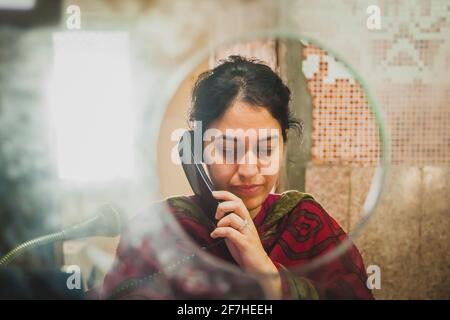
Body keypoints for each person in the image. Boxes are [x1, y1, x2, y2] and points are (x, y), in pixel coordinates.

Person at [100, 55, 374, 300]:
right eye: (228, 150)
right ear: (197, 151)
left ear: (284, 143)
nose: (248, 169)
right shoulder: (159, 232)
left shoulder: (307, 223)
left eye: (266, 149)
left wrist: (265, 272)